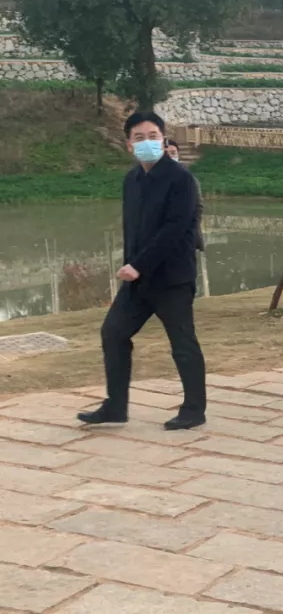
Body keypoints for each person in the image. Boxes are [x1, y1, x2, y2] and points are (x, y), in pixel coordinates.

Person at [77, 112, 206, 430]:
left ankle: (193, 410)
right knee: (113, 332)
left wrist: (138, 265)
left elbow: (175, 229)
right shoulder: (131, 180)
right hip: (137, 279)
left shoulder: (181, 179)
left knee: (182, 342)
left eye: (152, 136)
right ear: (129, 145)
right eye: (139, 137)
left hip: (172, 278)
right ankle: (115, 406)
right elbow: (132, 230)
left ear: (163, 140)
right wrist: (130, 264)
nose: (146, 142)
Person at [164, 139, 204, 252]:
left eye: (173, 153)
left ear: (178, 155)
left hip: (184, 239)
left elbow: (198, 208)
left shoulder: (189, 179)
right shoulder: (151, 180)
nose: (170, 157)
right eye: (166, 154)